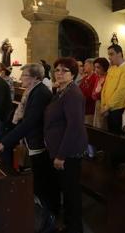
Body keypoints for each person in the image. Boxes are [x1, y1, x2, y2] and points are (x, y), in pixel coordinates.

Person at [0, 63, 57, 213]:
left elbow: (30, 122)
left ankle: (46, 212)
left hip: (39, 140)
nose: (20, 78)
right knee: (38, 175)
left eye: (24, 75)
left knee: (42, 177)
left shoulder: (40, 93)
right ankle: (41, 207)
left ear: (34, 77)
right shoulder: (33, 90)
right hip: (33, 138)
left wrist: (4, 143)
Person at [44, 57, 87, 233]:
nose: (59, 73)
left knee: (71, 192)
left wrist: (61, 155)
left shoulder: (73, 94)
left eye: (64, 70)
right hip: (59, 147)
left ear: (73, 74)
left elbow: (74, 126)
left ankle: (75, 228)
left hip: (69, 151)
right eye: (57, 70)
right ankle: (68, 224)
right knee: (66, 189)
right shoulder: (62, 90)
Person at [100, 44, 125, 134]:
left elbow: (121, 92)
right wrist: (104, 105)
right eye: (109, 55)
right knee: (110, 135)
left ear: (119, 54)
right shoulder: (112, 68)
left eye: (111, 54)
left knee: (117, 136)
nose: (109, 57)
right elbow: (105, 88)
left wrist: (107, 107)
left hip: (118, 109)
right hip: (108, 108)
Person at [79, 58, 98, 125]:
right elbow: (79, 89)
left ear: (91, 66)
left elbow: (92, 92)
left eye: (86, 65)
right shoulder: (85, 78)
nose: (84, 67)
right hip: (83, 107)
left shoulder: (95, 78)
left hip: (90, 108)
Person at [92, 57, 109, 128]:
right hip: (97, 104)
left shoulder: (108, 78)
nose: (96, 70)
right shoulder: (98, 78)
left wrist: (96, 94)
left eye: (98, 67)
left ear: (104, 67)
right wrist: (95, 94)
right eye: (95, 67)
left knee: (103, 127)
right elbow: (93, 94)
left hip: (105, 106)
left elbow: (106, 94)